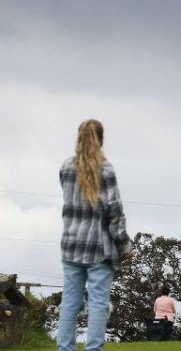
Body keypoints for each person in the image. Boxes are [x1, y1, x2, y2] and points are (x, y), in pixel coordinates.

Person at [57, 119, 132, 351]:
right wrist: (124, 246)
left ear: (78, 139)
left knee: (69, 303)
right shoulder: (106, 170)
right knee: (98, 304)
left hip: (71, 246)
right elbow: (114, 212)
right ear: (101, 140)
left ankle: (64, 348)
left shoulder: (66, 167)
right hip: (99, 249)